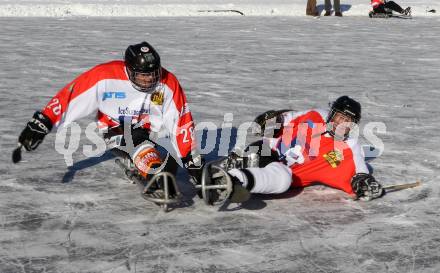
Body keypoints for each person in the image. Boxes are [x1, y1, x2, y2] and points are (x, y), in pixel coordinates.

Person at [17, 41, 204, 198]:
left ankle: (144, 160)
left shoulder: (167, 81)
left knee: (166, 154)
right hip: (114, 127)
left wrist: (192, 162)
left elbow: (180, 120)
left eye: (153, 74)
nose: (149, 80)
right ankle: (149, 165)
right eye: (143, 75)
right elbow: (71, 97)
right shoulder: (104, 76)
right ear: (129, 70)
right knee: (138, 141)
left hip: (149, 128)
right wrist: (45, 121)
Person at [204, 96, 383, 204]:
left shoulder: (349, 147)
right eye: (339, 117)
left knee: (283, 179)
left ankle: (233, 179)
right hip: (264, 152)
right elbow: (282, 118)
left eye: (348, 121)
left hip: (277, 175)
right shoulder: (315, 115)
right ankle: (232, 165)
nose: (341, 124)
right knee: (268, 166)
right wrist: (270, 121)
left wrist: (365, 184)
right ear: (331, 113)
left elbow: (360, 173)